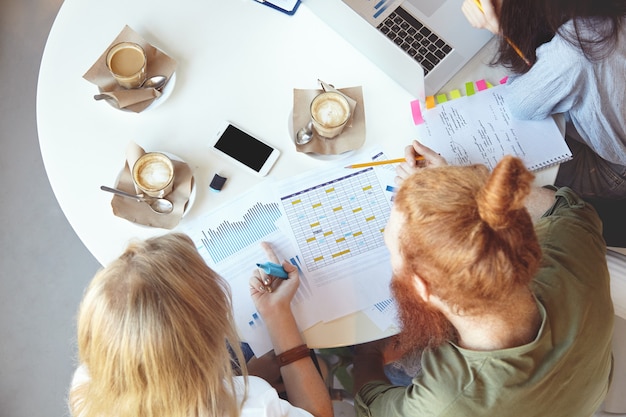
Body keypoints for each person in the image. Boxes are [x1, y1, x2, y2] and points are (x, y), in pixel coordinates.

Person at [353, 141, 614, 416]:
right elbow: (566, 207)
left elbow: (370, 408)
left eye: (392, 251)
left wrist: (369, 355)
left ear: (422, 286)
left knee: (396, 367)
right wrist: (464, 194)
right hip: (581, 394)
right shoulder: (576, 246)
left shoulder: (442, 403)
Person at [68, 233, 332, 417]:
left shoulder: (86, 386)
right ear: (203, 343)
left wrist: (246, 377)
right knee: (318, 367)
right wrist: (277, 315)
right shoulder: (254, 405)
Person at [460, 0, 626, 247]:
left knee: (513, 186)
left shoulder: (577, 48)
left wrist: (505, 29)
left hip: (615, 169)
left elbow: (521, 103)